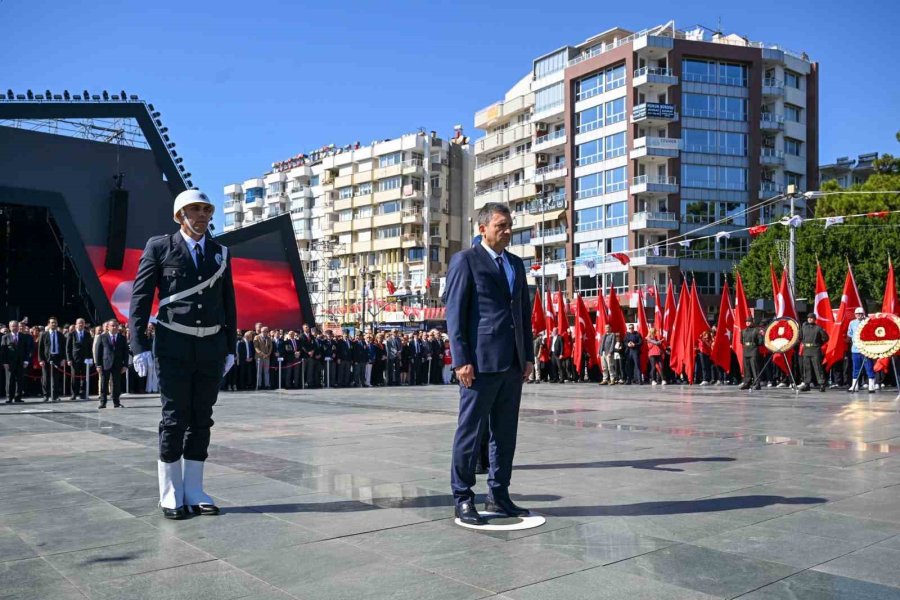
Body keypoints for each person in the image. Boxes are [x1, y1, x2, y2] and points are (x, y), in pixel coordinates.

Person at [128, 189, 237, 520]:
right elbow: (141, 297)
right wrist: (139, 345)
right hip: (173, 346)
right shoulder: (160, 247)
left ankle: (195, 489)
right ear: (180, 216)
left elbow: (228, 304)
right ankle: (170, 493)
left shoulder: (220, 253)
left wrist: (229, 346)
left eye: (206, 210)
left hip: (210, 348)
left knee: (201, 417)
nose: (202, 215)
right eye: (194, 210)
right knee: (175, 419)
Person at [444, 202, 534, 525]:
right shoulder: (465, 261)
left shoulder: (515, 265)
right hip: (478, 366)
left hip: (511, 363)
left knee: (505, 433)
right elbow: (454, 314)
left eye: (510, 225)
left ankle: (498, 494)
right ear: (483, 228)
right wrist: (461, 360)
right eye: (501, 226)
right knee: (471, 431)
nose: (508, 231)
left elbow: (523, 314)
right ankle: (463, 497)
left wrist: (527, 356)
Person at [95, 319, 128, 408]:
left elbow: (125, 352)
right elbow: (98, 352)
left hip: (117, 364)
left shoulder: (122, 337)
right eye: (112, 326)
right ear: (108, 327)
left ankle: (116, 402)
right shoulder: (102, 337)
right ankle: (103, 402)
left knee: (116, 383)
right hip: (105, 364)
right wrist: (98, 364)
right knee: (104, 383)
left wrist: (125, 365)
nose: (114, 327)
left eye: (116, 326)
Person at [1, 320, 32, 403]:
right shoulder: (5, 337)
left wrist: (26, 361)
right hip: (9, 363)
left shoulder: (23, 336)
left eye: (16, 326)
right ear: (9, 327)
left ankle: (18, 397)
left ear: (18, 327)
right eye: (13, 326)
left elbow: (27, 350)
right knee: (9, 380)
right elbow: (3, 351)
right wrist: (4, 362)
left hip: (21, 362)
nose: (15, 328)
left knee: (20, 380)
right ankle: (9, 398)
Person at [847, 307, 876, 393]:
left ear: (863, 314)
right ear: (855, 315)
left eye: (860, 314)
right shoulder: (852, 323)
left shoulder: (868, 321)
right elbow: (850, 333)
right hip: (855, 349)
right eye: (857, 314)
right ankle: (854, 385)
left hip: (866, 349)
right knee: (856, 368)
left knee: (869, 367)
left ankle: (871, 385)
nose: (859, 315)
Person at [798, 313, 829, 392]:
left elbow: (825, 338)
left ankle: (821, 384)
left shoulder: (818, 328)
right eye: (808, 318)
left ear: (815, 319)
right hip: (806, 349)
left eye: (811, 318)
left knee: (817, 367)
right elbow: (800, 337)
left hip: (815, 349)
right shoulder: (804, 328)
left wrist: (818, 344)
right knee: (806, 368)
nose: (809, 319)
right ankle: (807, 384)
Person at [65, 317, 93, 400]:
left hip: (85, 359)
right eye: (79, 323)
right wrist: (69, 359)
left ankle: (83, 393)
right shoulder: (71, 334)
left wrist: (90, 359)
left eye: (82, 323)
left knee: (84, 377)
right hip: (74, 359)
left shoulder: (87, 334)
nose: (81, 324)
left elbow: (89, 347)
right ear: (76, 325)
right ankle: (74, 393)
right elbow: (68, 348)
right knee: (74, 377)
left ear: (84, 324)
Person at [38, 317, 65, 402]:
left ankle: (55, 395)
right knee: (46, 377)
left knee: (56, 378)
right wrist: (41, 360)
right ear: (48, 324)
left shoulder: (60, 335)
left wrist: (63, 359)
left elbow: (63, 348)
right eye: (52, 322)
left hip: (57, 358)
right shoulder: (44, 334)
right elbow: (40, 348)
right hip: (46, 359)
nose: (54, 324)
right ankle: (46, 395)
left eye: (55, 323)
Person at [739, 317, 764, 390]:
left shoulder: (757, 330)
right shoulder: (743, 331)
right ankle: (747, 382)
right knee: (747, 368)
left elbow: (760, 341)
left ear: (752, 322)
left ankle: (757, 383)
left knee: (755, 368)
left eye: (749, 321)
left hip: (753, 350)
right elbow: (741, 341)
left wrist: (755, 344)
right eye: (746, 321)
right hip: (746, 350)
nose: (747, 323)